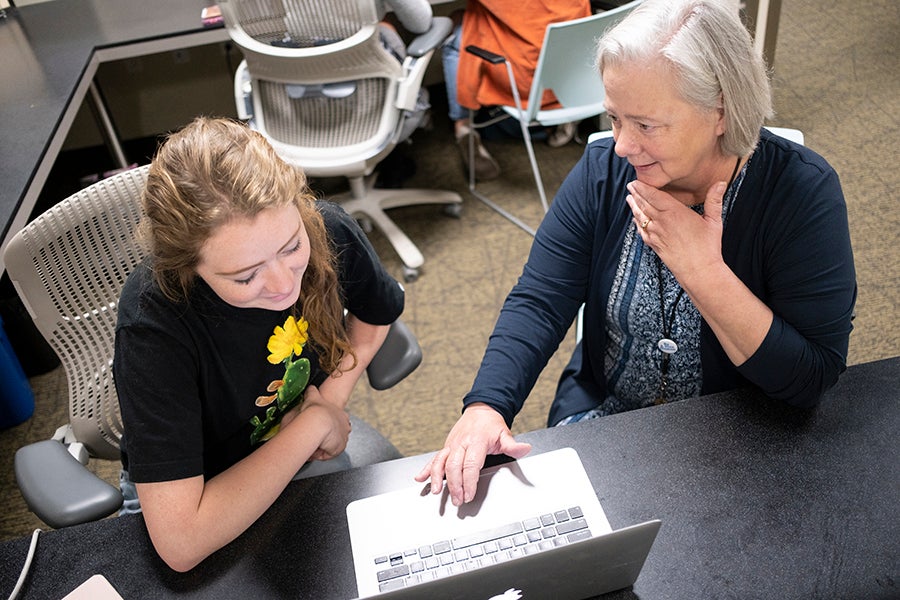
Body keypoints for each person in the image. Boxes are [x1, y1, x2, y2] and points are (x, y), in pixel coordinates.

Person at [417, 0, 857, 506]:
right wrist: (486, 406)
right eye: (614, 117)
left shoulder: (801, 192)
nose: (621, 144)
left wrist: (705, 273)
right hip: (610, 422)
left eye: (645, 125)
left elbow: (810, 379)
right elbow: (541, 299)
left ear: (721, 110)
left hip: (746, 437)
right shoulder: (605, 170)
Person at [113, 117, 405, 571]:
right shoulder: (155, 320)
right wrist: (315, 424)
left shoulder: (325, 229)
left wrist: (331, 397)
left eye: (291, 248)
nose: (282, 283)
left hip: (296, 454)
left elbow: (376, 313)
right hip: (201, 492)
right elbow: (182, 543)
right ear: (188, 268)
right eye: (245, 275)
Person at [442, 1, 592, 180]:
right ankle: (554, 123)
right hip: (570, 79)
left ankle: (464, 127)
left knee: (454, 30)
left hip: (523, 81)